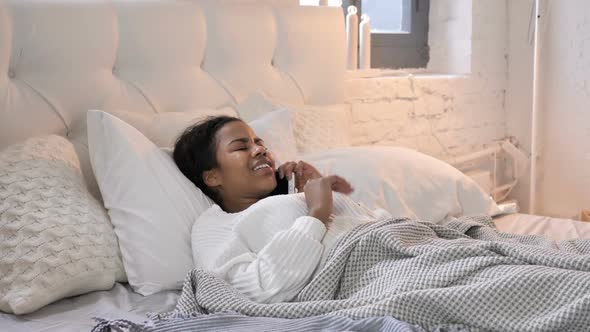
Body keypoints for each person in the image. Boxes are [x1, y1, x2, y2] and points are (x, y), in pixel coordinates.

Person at [174, 116, 389, 304]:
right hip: (376, 275)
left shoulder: (290, 198)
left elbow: (373, 225)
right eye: (241, 147)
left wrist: (313, 188)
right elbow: (251, 291)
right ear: (212, 177)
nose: (260, 149)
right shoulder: (213, 225)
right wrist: (316, 215)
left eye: (259, 143)